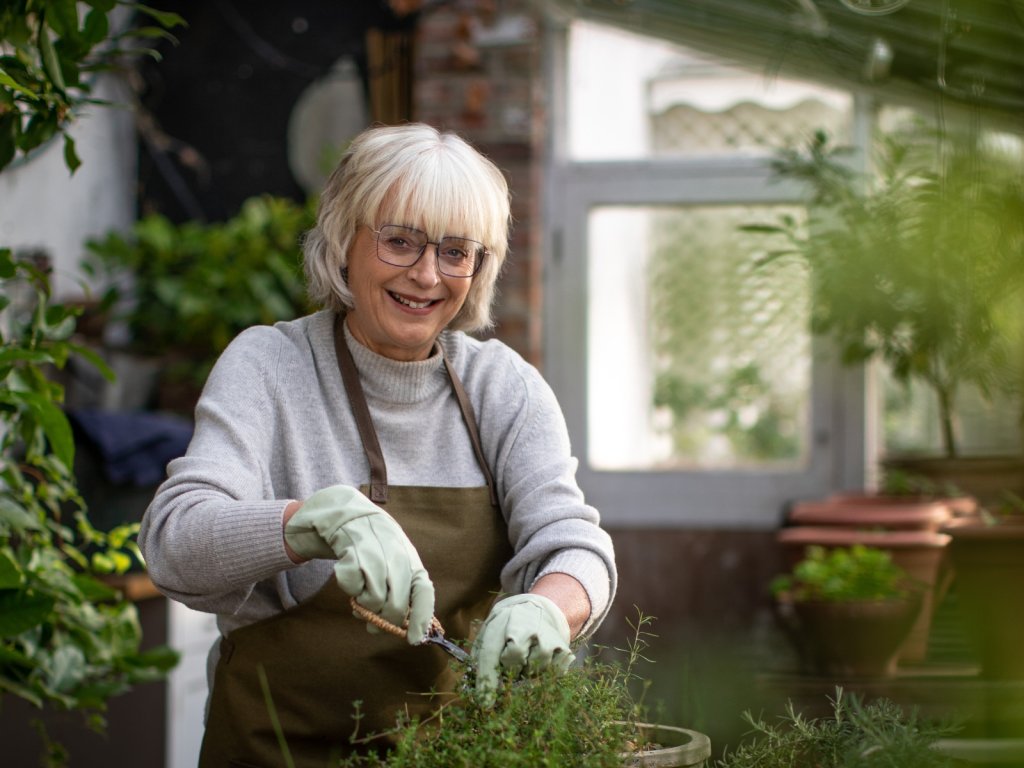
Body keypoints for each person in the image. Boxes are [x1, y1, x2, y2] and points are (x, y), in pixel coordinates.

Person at [138, 122, 617, 767]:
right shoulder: (269, 368)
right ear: (345, 241)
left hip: (451, 755)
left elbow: (576, 546)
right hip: (272, 749)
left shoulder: (504, 388)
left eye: (455, 252)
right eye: (399, 242)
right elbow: (175, 543)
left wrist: (552, 607)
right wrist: (307, 523)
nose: (426, 276)